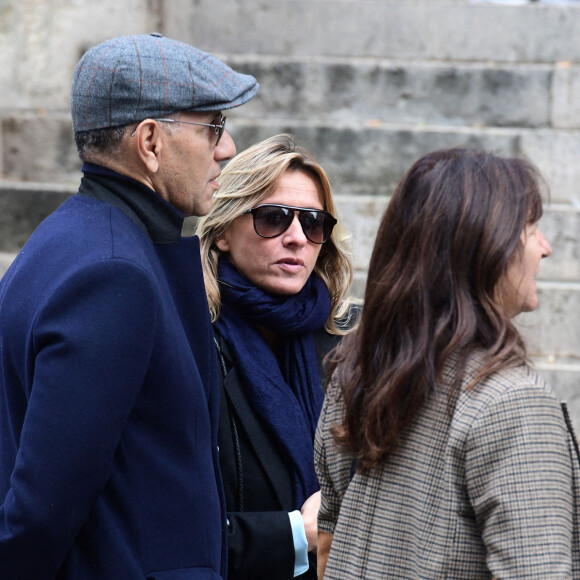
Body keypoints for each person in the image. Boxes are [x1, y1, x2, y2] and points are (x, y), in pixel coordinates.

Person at [0, 33, 258, 579]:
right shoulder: (113, 272)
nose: (227, 147)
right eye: (212, 126)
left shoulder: (76, 238)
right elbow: (43, 506)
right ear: (149, 142)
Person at [315, 148, 580, 579]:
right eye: (531, 226)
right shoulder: (513, 406)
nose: (545, 248)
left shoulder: (357, 374)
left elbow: (326, 550)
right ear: (485, 246)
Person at [196, 134, 356, 580]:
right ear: (223, 230)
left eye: (313, 223)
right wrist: (297, 533)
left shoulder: (349, 343)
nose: (296, 238)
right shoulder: (187, 338)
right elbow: (168, 523)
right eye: (272, 218)